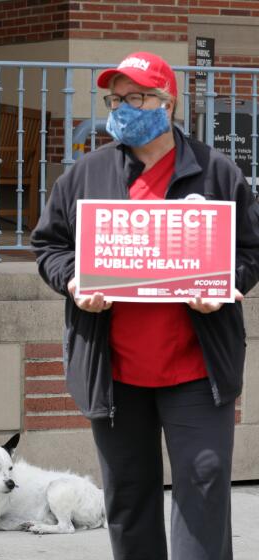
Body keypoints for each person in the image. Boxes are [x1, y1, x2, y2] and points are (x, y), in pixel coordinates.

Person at [31, 51, 259, 560]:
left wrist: (225, 285)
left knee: (204, 490)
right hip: (116, 374)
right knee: (129, 502)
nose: (121, 108)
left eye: (135, 98)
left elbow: (249, 251)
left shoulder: (217, 172)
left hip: (197, 372)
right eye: (115, 99)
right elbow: (49, 245)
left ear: (167, 103)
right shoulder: (87, 174)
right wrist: (73, 283)